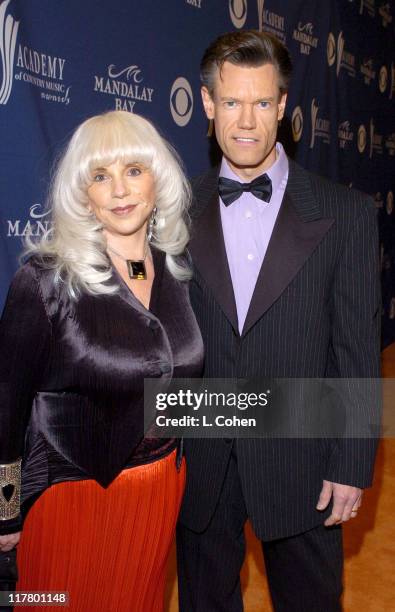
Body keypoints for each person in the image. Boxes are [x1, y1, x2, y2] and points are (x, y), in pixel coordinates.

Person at [177, 30, 381, 611]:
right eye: (233, 102)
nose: (247, 121)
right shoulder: (172, 211)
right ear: (209, 103)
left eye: (263, 103)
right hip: (202, 454)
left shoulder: (345, 215)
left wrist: (350, 463)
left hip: (302, 458)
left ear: (284, 107)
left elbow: (358, 351)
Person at [0, 110, 203, 611]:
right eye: (100, 175)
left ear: (159, 181)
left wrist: (337, 414)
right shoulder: (45, 282)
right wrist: (5, 512)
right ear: (83, 195)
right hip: (74, 500)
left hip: (160, 496)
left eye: (134, 170)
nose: (119, 190)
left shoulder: (177, 270)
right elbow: (4, 410)